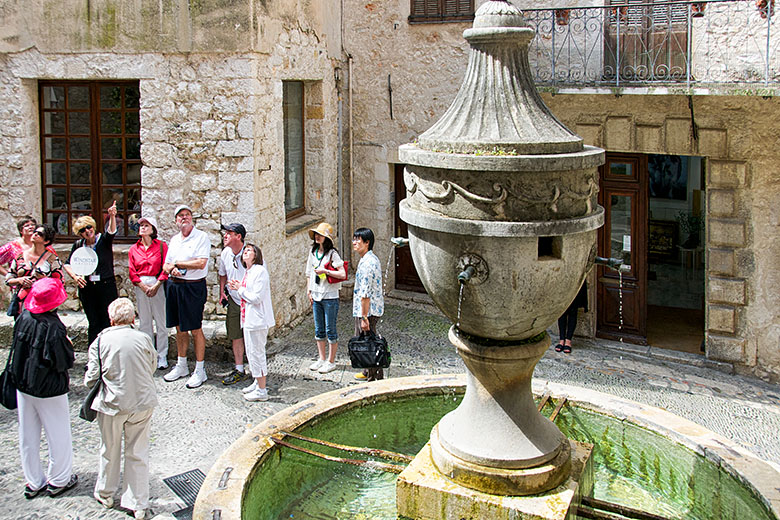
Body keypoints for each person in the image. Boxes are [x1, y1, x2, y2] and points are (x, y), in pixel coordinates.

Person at [84, 298, 158, 520]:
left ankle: (106, 493)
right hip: (142, 401)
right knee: (138, 451)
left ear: (111, 319)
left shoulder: (100, 342)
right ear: (132, 318)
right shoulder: (144, 338)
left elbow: (91, 379)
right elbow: (151, 366)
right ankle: (137, 504)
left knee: (110, 449)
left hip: (112, 403)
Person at [8, 278, 77, 499]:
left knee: (28, 434)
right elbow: (63, 361)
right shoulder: (54, 327)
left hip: (24, 384)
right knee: (58, 434)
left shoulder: (24, 318)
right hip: (48, 388)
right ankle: (59, 479)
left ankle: (33, 480)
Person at [161, 205, 212, 389]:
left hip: (193, 287)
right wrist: (173, 267)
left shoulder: (201, 237)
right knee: (179, 328)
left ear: (192, 218)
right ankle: (181, 365)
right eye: (181, 216)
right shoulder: (174, 240)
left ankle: (200, 369)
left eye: (187, 215)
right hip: (174, 285)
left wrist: (177, 263)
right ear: (176, 221)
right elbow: (166, 265)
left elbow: (200, 263)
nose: (184, 218)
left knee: (195, 328)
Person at [63, 201, 119, 345]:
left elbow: (112, 231)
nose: (87, 231)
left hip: (106, 285)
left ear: (93, 226)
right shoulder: (78, 245)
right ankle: (93, 356)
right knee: (93, 322)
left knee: (108, 321)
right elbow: (68, 264)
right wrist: (75, 277)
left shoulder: (103, 240)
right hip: (88, 287)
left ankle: (108, 354)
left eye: (88, 227)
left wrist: (112, 216)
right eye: (83, 230)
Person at [228, 244, 275, 402]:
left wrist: (240, 289)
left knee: (257, 353)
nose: (245, 252)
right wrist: (238, 287)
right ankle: (257, 381)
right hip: (248, 319)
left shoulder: (260, 271)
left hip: (257, 320)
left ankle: (262, 390)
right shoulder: (249, 272)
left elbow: (256, 297)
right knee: (251, 352)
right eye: (245, 251)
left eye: (249, 250)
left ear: (256, 255)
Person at [128, 216, 170, 370]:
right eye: (141, 225)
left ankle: (162, 355)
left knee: (161, 321)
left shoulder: (161, 246)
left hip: (156, 283)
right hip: (141, 285)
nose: (143, 228)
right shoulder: (134, 249)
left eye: (146, 225)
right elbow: (132, 271)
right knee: (145, 321)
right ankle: (147, 354)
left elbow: (166, 267)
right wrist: (143, 287)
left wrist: (157, 284)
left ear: (153, 229)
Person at [305, 222, 346, 375]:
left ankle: (331, 361)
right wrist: (309, 290)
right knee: (318, 328)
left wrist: (326, 271)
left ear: (326, 238)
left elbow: (342, 274)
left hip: (330, 295)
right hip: (316, 294)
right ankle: (321, 358)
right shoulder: (313, 251)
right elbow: (309, 272)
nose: (317, 236)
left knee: (330, 329)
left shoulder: (332, 254)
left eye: (320, 234)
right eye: (316, 234)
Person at [5, 224, 63, 317]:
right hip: (22, 304)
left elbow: (59, 283)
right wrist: (19, 280)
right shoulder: (20, 257)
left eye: (39, 234)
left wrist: (44, 280)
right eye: (35, 232)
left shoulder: (52, 259)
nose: (35, 234)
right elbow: (8, 279)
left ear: (46, 241)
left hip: (43, 305)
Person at [351, 228, 384, 381]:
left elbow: (365, 294)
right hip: (368, 310)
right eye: (354, 239)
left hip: (368, 311)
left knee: (369, 345)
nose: (354, 242)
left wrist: (364, 318)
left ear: (367, 242)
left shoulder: (368, 264)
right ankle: (368, 372)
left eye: (358, 240)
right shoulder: (368, 259)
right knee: (367, 341)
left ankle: (373, 378)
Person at [217, 223, 248, 385]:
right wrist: (222, 291)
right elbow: (223, 274)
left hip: (248, 302)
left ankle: (258, 372)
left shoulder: (250, 254)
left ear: (239, 236)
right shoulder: (225, 253)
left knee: (250, 336)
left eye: (229, 233)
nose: (225, 235)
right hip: (234, 301)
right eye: (225, 233)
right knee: (235, 336)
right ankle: (239, 369)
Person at [556, 281, 588, 354]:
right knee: (562, 312)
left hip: (576, 283)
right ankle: (561, 340)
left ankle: (568, 341)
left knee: (573, 311)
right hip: (563, 283)